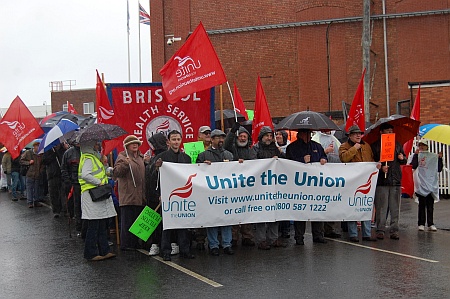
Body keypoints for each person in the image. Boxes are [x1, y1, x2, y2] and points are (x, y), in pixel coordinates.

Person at [150, 130, 195, 261]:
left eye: (178, 139)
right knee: (167, 225)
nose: (176, 142)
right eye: (173, 139)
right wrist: (157, 168)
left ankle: (184, 250)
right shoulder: (161, 157)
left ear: (181, 141)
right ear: (168, 142)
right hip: (167, 195)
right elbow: (154, 178)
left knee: (183, 223)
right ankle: (166, 251)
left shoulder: (186, 158)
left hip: (183, 196)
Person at [196, 129, 235, 256]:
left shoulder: (229, 155)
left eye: (222, 138)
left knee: (226, 218)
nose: (221, 140)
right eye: (218, 138)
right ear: (212, 139)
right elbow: (197, 172)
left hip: (226, 192)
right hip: (210, 193)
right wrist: (202, 165)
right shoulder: (203, 155)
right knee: (211, 219)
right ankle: (213, 245)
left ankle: (227, 244)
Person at [286, 129, 327, 245]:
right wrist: (301, 160)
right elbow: (288, 164)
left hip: (315, 184)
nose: (308, 136)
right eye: (306, 133)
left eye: (310, 133)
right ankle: (299, 237)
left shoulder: (317, 146)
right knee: (301, 210)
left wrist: (324, 159)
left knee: (317, 209)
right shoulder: (292, 148)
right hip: (299, 185)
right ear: (300, 134)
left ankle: (318, 235)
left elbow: (323, 156)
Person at [339, 125, 378, 242]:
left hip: (366, 182)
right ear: (350, 136)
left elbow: (370, 161)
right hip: (352, 182)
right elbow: (344, 158)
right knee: (353, 206)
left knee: (365, 206)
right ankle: (353, 234)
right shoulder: (344, 146)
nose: (358, 135)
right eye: (355, 134)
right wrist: (354, 148)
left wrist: (376, 166)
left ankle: (367, 234)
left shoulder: (367, 146)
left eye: (360, 133)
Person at [78, 140, 117, 261]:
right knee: (94, 225)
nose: (98, 145)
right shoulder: (89, 158)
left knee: (100, 223)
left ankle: (104, 250)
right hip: (92, 193)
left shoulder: (93, 157)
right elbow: (85, 175)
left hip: (96, 193)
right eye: (95, 143)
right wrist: (98, 182)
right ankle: (91, 252)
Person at [252, 126, 287, 250]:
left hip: (274, 184)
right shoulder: (256, 148)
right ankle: (261, 240)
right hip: (260, 186)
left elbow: (285, 162)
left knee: (274, 212)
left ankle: (273, 238)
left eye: (271, 136)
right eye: (267, 135)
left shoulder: (274, 149)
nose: (269, 138)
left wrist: (280, 155)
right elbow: (253, 164)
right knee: (262, 213)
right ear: (261, 137)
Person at [371, 123, 407, 240]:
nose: (390, 133)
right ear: (381, 132)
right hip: (382, 181)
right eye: (387, 131)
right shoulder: (375, 146)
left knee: (395, 207)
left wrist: (403, 158)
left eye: (391, 130)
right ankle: (380, 229)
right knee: (381, 206)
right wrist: (381, 168)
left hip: (395, 180)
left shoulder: (397, 145)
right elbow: (372, 163)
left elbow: (403, 160)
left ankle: (394, 230)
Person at [224, 122, 256, 247]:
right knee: (235, 211)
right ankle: (234, 237)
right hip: (234, 185)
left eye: (245, 136)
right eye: (240, 136)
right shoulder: (232, 149)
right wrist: (233, 131)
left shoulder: (251, 151)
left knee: (247, 212)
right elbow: (226, 144)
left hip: (248, 186)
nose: (242, 138)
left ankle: (247, 236)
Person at [114, 135, 146, 251]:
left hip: (140, 195)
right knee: (128, 221)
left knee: (137, 220)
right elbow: (116, 172)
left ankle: (136, 242)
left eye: (136, 143)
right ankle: (126, 244)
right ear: (127, 146)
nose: (135, 145)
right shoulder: (122, 157)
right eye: (132, 143)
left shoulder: (141, 158)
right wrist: (125, 164)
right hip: (128, 195)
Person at [312, 130, 342, 239]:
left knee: (332, 202)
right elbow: (314, 156)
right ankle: (321, 229)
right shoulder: (316, 138)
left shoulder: (334, 140)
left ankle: (330, 228)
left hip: (332, 175)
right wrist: (325, 151)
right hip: (319, 177)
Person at [411, 139, 443, 231]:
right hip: (421, 183)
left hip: (431, 183)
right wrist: (416, 155)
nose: (421, 147)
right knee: (422, 204)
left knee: (430, 205)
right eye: (420, 145)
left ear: (427, 146)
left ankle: (430, 223)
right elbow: (413, 166)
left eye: (423, 145)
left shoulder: (433, 157)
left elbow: (439, 169)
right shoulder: (417, 155)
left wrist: (439, 159)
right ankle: (421, 223)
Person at [145, 132, 168, 256]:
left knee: (164, 222)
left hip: (161, 193)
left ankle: (163, 244)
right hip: (151, 193)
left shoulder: (164, 156)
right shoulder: (153, 157)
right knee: (156, 221)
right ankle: (155, 243)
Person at [192, 125, 212, 250]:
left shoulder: (214, 148)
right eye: (205, 133)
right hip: (198, 184)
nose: (208, 135)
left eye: (209, 133)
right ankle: (199, 239)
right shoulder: (193, 148)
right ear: (199, 135)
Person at [61, 140, 82, 231]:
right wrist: (68, 181)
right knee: (76, 205)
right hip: (74, 183)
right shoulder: (68, 153)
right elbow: (64, 168)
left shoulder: (86, 151)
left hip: (85, 183)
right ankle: (79, 225)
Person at [42, 144, 67, 218]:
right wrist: (54, 154)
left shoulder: (63, 150)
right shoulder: (48, 150)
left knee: (63, 193)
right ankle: (56, 210)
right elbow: (44, 161)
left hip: (62, 174)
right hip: (52, 175)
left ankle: (65, 209)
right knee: (54, 193)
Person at [20, 141, 44, 208]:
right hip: (29, 174)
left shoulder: (41, 154)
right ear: (34, 146)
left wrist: (40, 171)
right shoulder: (28, 153)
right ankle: (30, 202)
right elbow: (21, 161)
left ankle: (36, 201)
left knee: (36, 188)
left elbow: (42, 164)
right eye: (37, 146)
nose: (38, 148)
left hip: (37, 174)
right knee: (29, 188)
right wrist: (28, 162)